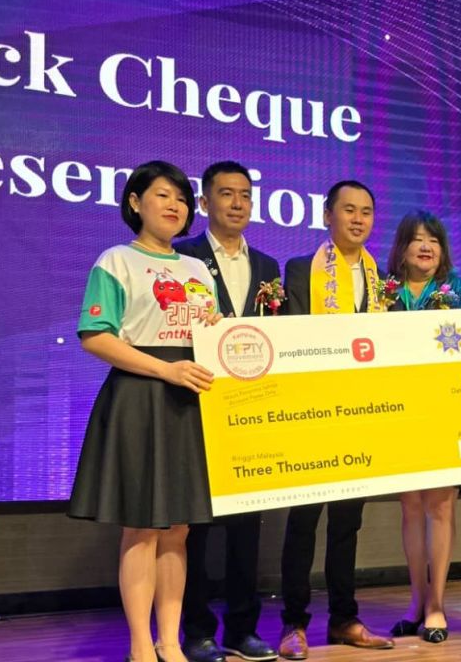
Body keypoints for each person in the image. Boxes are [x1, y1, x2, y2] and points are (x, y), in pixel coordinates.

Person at [68, 161, 222, 662]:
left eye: (181, 198)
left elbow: (211, 333)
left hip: (190, 400)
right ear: (135, 203)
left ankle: (170, 642)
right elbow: (96, 336)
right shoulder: (115, 260)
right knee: (142, 526)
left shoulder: (197, 270)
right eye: (162, 195)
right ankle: (140, 646)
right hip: (139, 397)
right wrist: (164, 371)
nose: (175, 205)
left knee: (179, 529)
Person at [277, 180, 395, 660]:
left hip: (360, 414)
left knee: (348, 523)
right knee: (303, 521)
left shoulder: (381, 279)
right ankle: (293, 623)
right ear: (327, 215)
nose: (358, 219)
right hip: (312, 413)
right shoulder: (299, 270)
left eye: (366, 211)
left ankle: (344, 618)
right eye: (349, 209)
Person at [176, 162, 280, 662]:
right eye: (226, 194)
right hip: (195, 406)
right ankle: (196, 630)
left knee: (245, 529)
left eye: (245, 195)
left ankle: (243, 629)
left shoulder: (267, 265)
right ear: (204, 203)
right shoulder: (182, 257)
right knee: (193, 528)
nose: (237, 203)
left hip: (251, 411)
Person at [384, 210, 461, 644]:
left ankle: (437, 605)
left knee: (441, 506)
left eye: (434, 240)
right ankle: (416, 602)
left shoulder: (460, 291)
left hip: (445, 409)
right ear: (401, 247)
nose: (425, 247)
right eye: (417, 239)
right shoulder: (383, 290)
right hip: (398, 411)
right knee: (410, 507)